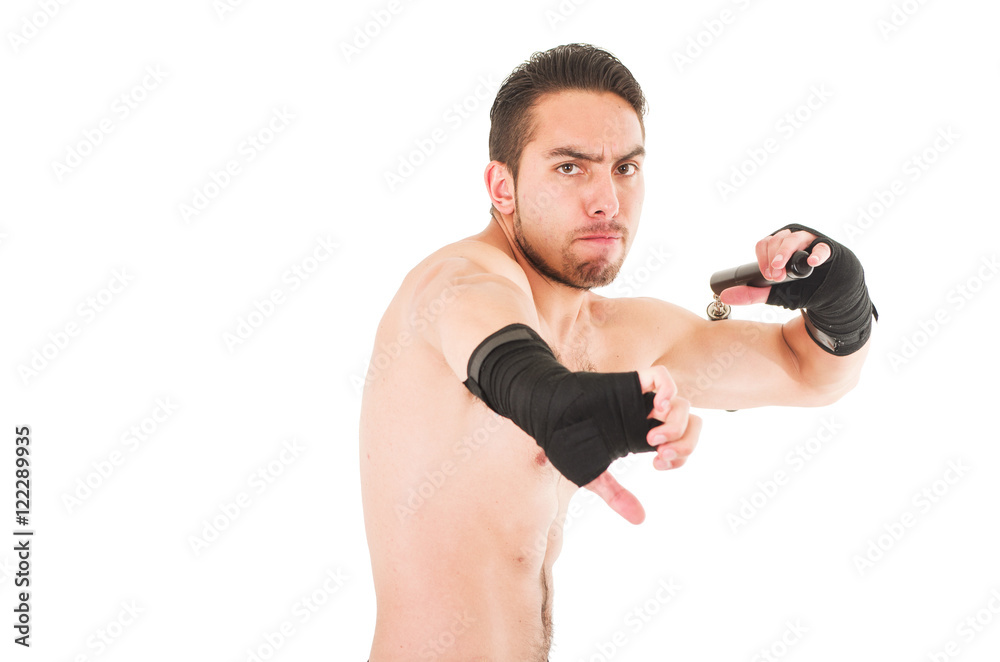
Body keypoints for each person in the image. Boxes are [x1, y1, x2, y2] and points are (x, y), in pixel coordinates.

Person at [359, 43, 876, 661]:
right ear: (503, 186)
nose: (607, 201)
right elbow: (502, 354)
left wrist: (839, 297)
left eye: (625, 168)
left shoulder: (616, 335)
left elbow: (811, 373)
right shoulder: (453, 283)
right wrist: (558, 401)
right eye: (570, 168)